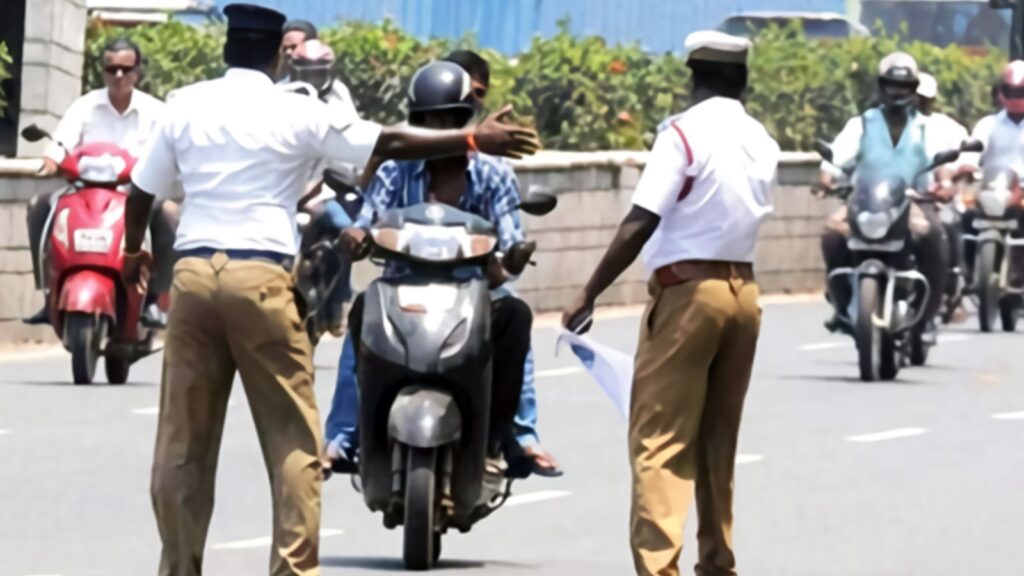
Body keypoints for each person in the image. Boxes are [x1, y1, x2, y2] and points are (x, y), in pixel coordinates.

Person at [121, 4, 539, 575]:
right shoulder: (297, 111)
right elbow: (388, 142)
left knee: (182, 445)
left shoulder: (184, 105)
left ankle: (179, 567)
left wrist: (132, 251)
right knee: (293, 441)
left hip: (194, 278)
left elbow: (142, 191)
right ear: (278, 56)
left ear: (225, 51)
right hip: (262, 277)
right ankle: (291, 569)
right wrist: (472, 138)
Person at [563, 31, 779, 576]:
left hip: (688, 295)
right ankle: (717, 563)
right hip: (744, 294)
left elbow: (643, 218)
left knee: (659, 440)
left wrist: (590, 291)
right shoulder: (761, 139)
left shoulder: (682, 134)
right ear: (743, 81)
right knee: (717, 437)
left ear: (693, 78)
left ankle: (659, 569)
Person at [326, 50, 562, 478]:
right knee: (363, 313)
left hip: (475, 290)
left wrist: (512, 257)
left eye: (450, 119)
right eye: (428, 121)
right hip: (402, 289)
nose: (439, 130)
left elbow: (510, 239)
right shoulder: (396, 171)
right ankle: (345, 437)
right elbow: (366, 220)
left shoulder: (493, 174)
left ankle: (505, 437)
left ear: (468, 116)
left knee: (515, 316)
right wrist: (355, 237)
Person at [23, 37, 176, 327]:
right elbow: (61, 141)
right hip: (84, 193)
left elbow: (170, 152)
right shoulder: (85, 106)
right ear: (104, 71)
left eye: (125, 69)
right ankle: (48, 293)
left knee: (169, 215)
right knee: (37, 208)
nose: (118, 75)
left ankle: (155, 299)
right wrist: (51, 161)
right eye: (111, 68)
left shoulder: (157, 113)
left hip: (136, 197)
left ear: (137, 72)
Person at [818, 52, 951, 339]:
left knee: (933, 234)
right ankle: (841, 304)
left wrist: (944, 184)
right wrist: (827, 178)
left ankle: (928, 312)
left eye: (903, 86)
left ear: (913, 89)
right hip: (865, 200)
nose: (897, 92)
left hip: (913, 201)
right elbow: (836, 156)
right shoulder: (862, 124)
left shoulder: (927, 128)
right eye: (891, 85)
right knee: (831, 232)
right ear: (881, 86)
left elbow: (943, 166)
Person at [962, 60, 1024, 285]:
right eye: (1011, 91)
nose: (1016, 97)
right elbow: (974, 149)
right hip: (993, 190)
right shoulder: (988, 124)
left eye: (1021, 92)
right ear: (1001, 93)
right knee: (966, 219)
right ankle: (966, 273)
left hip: (1022, 194)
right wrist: (967, 166)